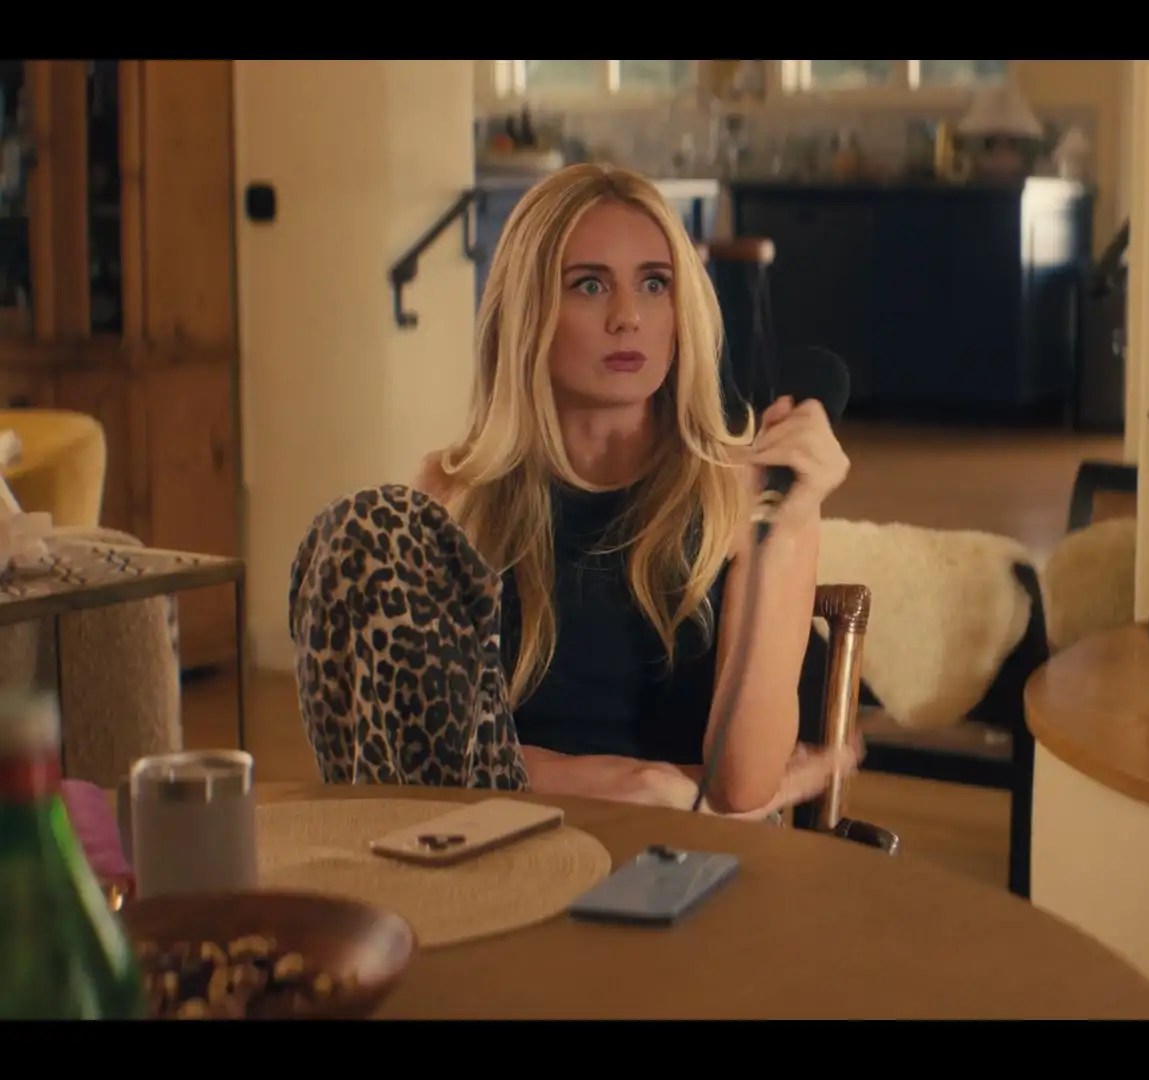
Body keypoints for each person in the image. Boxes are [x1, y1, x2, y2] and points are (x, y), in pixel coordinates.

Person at [290, 162, 857, 818]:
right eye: (589, 285)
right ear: (527, 310)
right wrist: (640, 786)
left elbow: (740, 789)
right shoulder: (450, 498)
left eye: (654, 284)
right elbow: (416, 768)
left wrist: (781, 529)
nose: (628, 317)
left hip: (680, 856)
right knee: (365, 525)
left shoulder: (746, 494)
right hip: (491, 847)